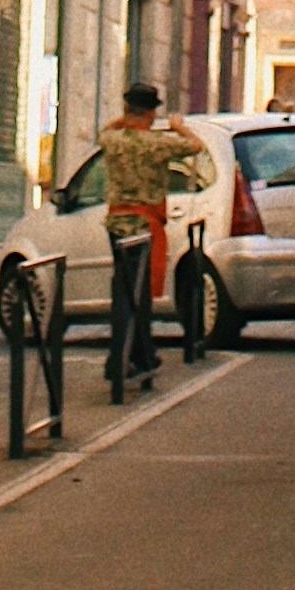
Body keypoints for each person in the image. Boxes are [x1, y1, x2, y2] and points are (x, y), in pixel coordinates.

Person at [95, 72, 206, 394]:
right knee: (138, 296)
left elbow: (107, 130)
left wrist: (127, 115)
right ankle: (133, 357)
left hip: (116, 224)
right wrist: (177, 125)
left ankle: (133, 355)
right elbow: (194, 146)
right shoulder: (157, 144)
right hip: (144, 226)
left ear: (127, 108)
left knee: (123, 291)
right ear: (151, 112)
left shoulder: (112, 140)